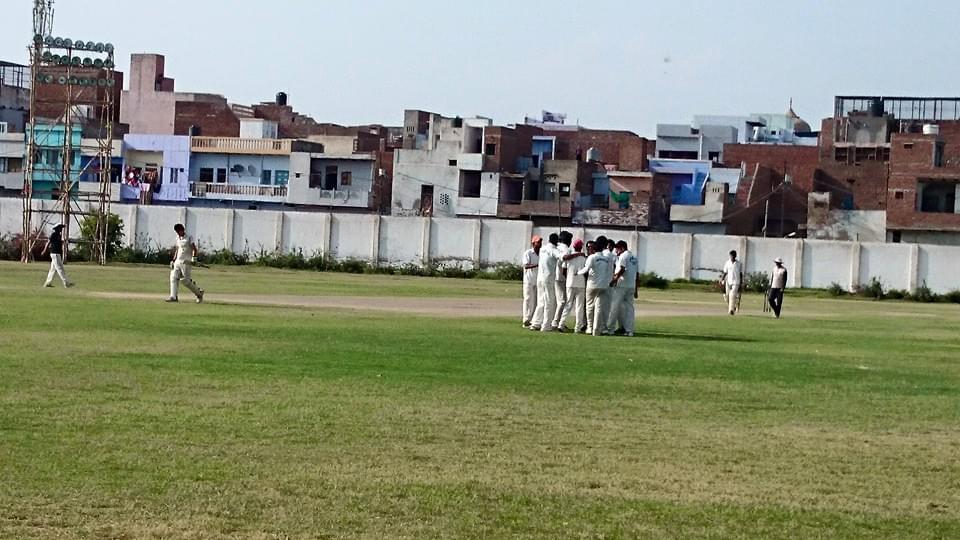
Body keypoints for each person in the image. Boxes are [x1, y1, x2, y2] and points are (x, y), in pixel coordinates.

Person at [578, 237, 613, 336]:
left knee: (590, 306)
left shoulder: (592, 257)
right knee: (599, 308)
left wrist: (577, 273)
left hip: (592, 285)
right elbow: (608, 272)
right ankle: (597, 329)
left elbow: (586, 269)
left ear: (594, 249)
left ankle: (589, 327)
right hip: (603, 286)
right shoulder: (606, 259)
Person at [167, 223, 205, 303]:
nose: (178, 233)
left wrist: (194, 258)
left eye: (179, 231)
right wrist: (173, 260)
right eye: (176, 231)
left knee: (185, 281)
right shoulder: (178, 238)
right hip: (178, 261)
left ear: (182, 230)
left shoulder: (189, 237)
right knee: (173, 276)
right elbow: (177, 249)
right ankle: (173, 297)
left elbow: (194, 249)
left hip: (186, 262)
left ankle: (199, 293)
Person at [608, 240, 639, 337]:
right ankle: (629, 330)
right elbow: (637, 274)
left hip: (621, 285)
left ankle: (610, 329)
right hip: (631, 285)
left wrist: (614, 279)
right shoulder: (634, 257)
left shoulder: (623, 256)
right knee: (629, 309)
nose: (616, 251)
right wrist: (636, 289)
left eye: (617, 249)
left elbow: (622, 269)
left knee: (614, 307)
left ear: (622, 248)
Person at [530, 233, 559, 332]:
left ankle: (536, 323)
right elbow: (562, 257)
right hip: (548, 278)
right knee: (549, 302)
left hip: (540, 278)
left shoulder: (543, 249)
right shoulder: (553, 250)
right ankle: (546, 325)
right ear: (556, 241)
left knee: (541, 301)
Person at [560, 238, 588, 333]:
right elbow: (586, 272)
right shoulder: (584, 258)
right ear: (581, 247)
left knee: (568, 304)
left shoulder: (569, 257)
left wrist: (568, 277)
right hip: (581, 284)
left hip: (570, 283)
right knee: (579, 306)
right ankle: (578, 327)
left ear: (574, 246)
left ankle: (561, 323)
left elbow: (563, 270)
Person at [551, 231, 572, 331]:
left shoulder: (556, 247)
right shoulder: (566, 250)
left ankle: (556, 321)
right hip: (561, 278)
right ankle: (556, 322)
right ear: (568, 240)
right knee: (562, 301)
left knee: (557, 300)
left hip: (553, 276)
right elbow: (565, 266)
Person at [42, 224, 74, 288]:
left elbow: (58, 243)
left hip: (57, 253)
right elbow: (48, 242)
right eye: (60, 228)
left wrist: (64, 242)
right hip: (55, 253)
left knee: (53, 269)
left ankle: (48, 283)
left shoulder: (59, 235)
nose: (61, 229)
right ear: (57, 229)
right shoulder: (53, 234)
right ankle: (66, 283)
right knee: (60, 268)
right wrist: (44, 250)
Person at [521, 236, 541, 328]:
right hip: (529, 280)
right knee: (528, 299)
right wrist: (537, 265)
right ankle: (526, 319)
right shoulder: (528, 253)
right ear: (533, 243)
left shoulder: (542, 253)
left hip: (538, 280)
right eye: (538, 242)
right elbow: (526, 265)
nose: (539, 244)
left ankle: (533, 319)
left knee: (537, 301)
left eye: (540, 242)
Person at [720, 250, 743, 315]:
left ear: (735, 256)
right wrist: (722, 279)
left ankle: (731, 310)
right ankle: (733, 307)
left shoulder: (739, 264)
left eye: (732, 256)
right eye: (730, 256)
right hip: (728, 281)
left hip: (736, 282)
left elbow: (741, 273)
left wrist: (741, 282)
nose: (731, 257)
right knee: (726, 296)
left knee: (732, 295)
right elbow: (725, 272)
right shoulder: (727, 263)